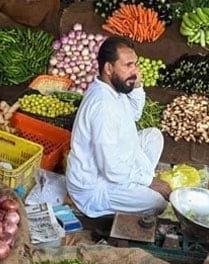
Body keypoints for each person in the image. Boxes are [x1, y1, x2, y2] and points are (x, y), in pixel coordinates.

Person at [65, 36, 171, 218]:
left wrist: (136, 86)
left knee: (153, 136)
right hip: (96, 187)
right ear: (108, 68)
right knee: (158, 203)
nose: (135, 71)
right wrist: (150, 181)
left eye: (135, 64)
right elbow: (111, 168)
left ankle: (135, 184)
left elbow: (133, 115)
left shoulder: (112, 88)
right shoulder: (103, 107)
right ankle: (135, 187)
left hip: (114, 164)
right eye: (128, 65)